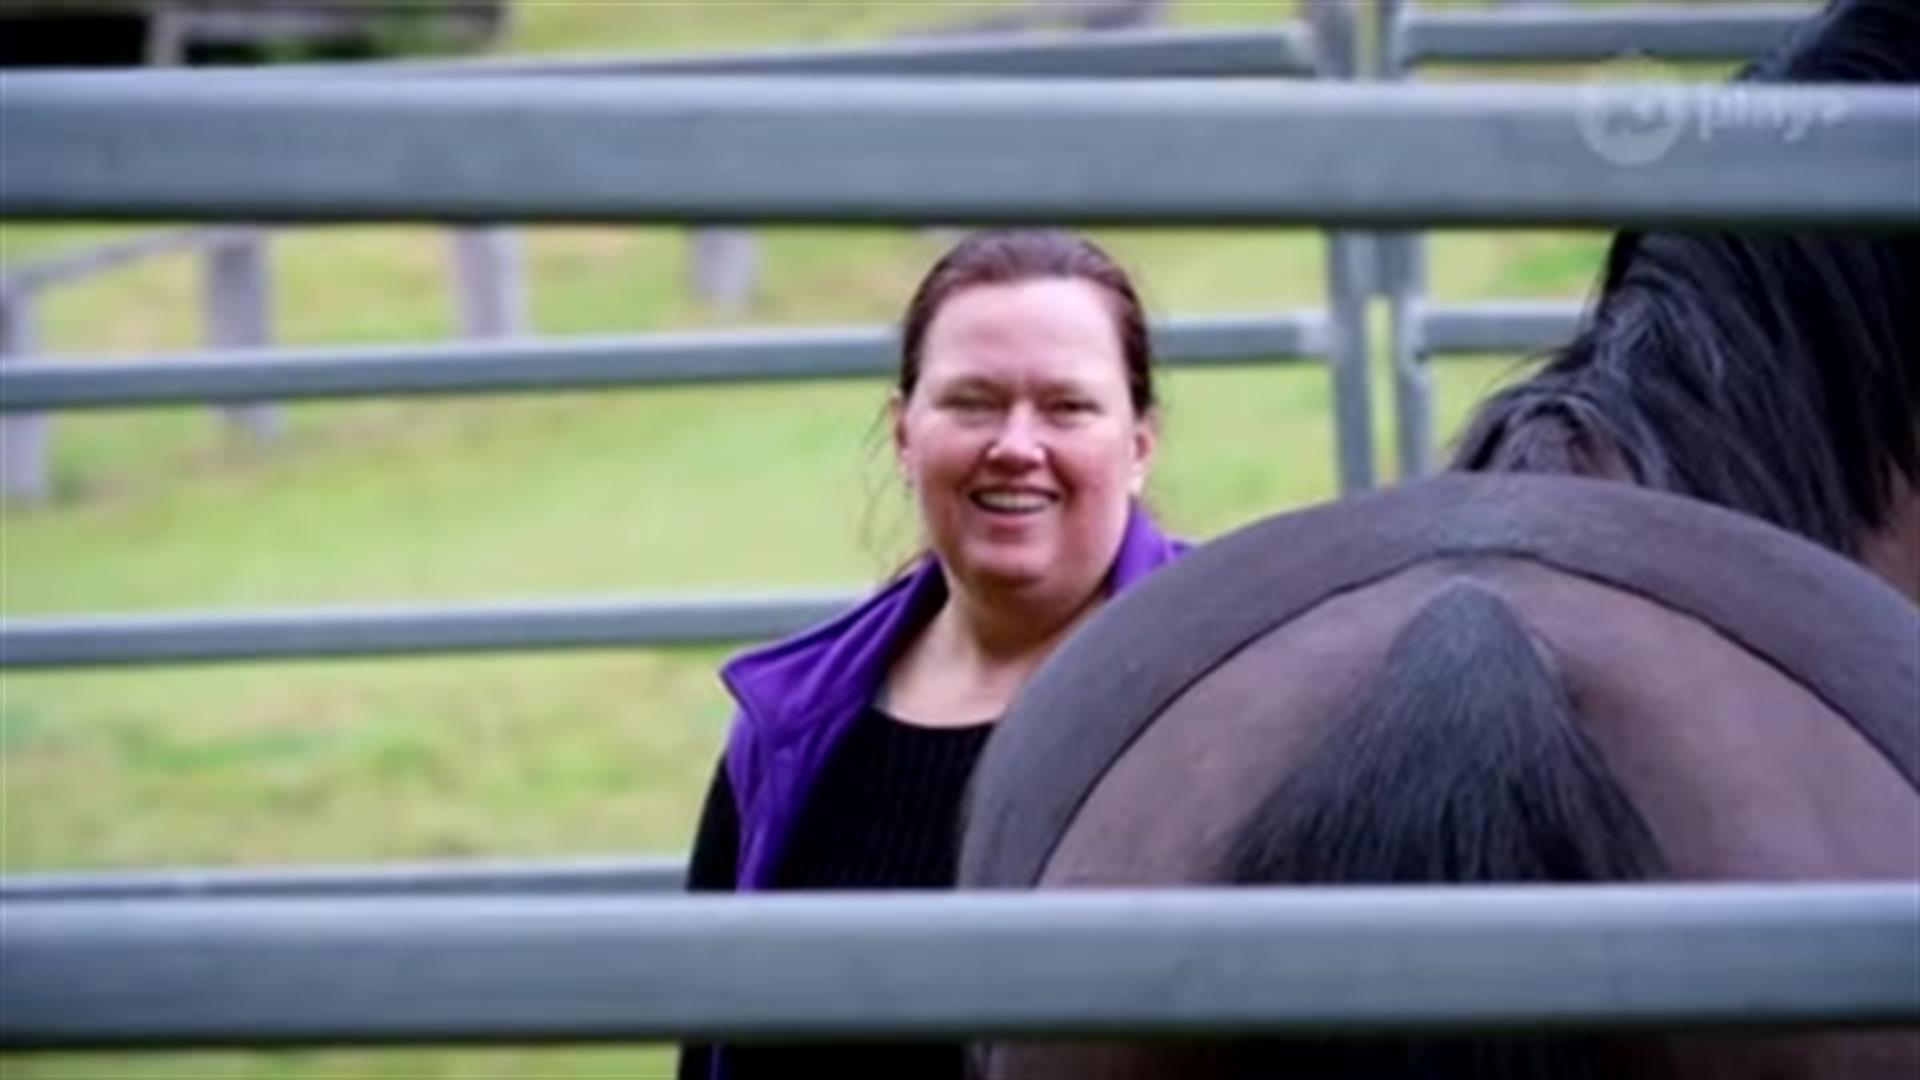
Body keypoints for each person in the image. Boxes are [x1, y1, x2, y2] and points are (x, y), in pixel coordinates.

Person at [676, 228, 1188, 1080]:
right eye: (974, 402)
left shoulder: (1242, 687)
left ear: (1138, 446)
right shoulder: (790, 728)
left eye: (1067, 406)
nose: (1017, 444)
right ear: (906, 435)